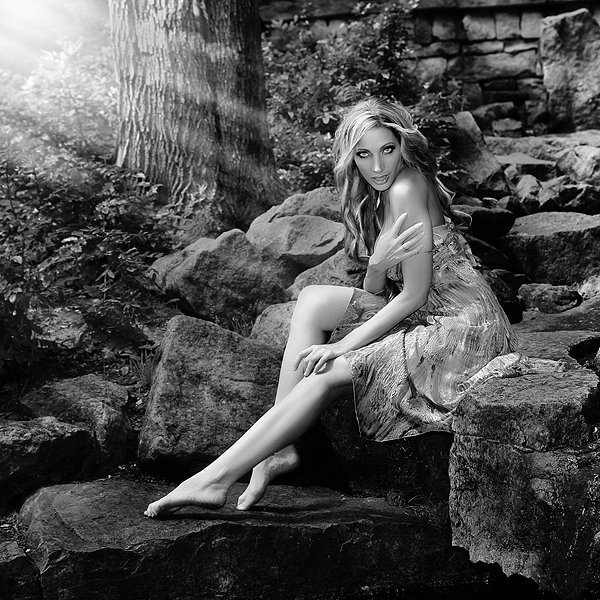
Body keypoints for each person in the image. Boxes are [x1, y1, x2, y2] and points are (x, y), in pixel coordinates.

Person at [144, 98, 529, 518]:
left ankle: (214, 480)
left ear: (403, 144)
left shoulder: (405, 188)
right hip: (428, 308)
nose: (377, 166)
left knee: (325, 372)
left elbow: (413, 295)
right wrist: (377, 264)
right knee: (313, 299)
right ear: (351, 157)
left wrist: (341, 346)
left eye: (387, 149)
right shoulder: (383, 192)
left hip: (462, 325)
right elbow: (380, 287)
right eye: (364, 154)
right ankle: (279, 449)